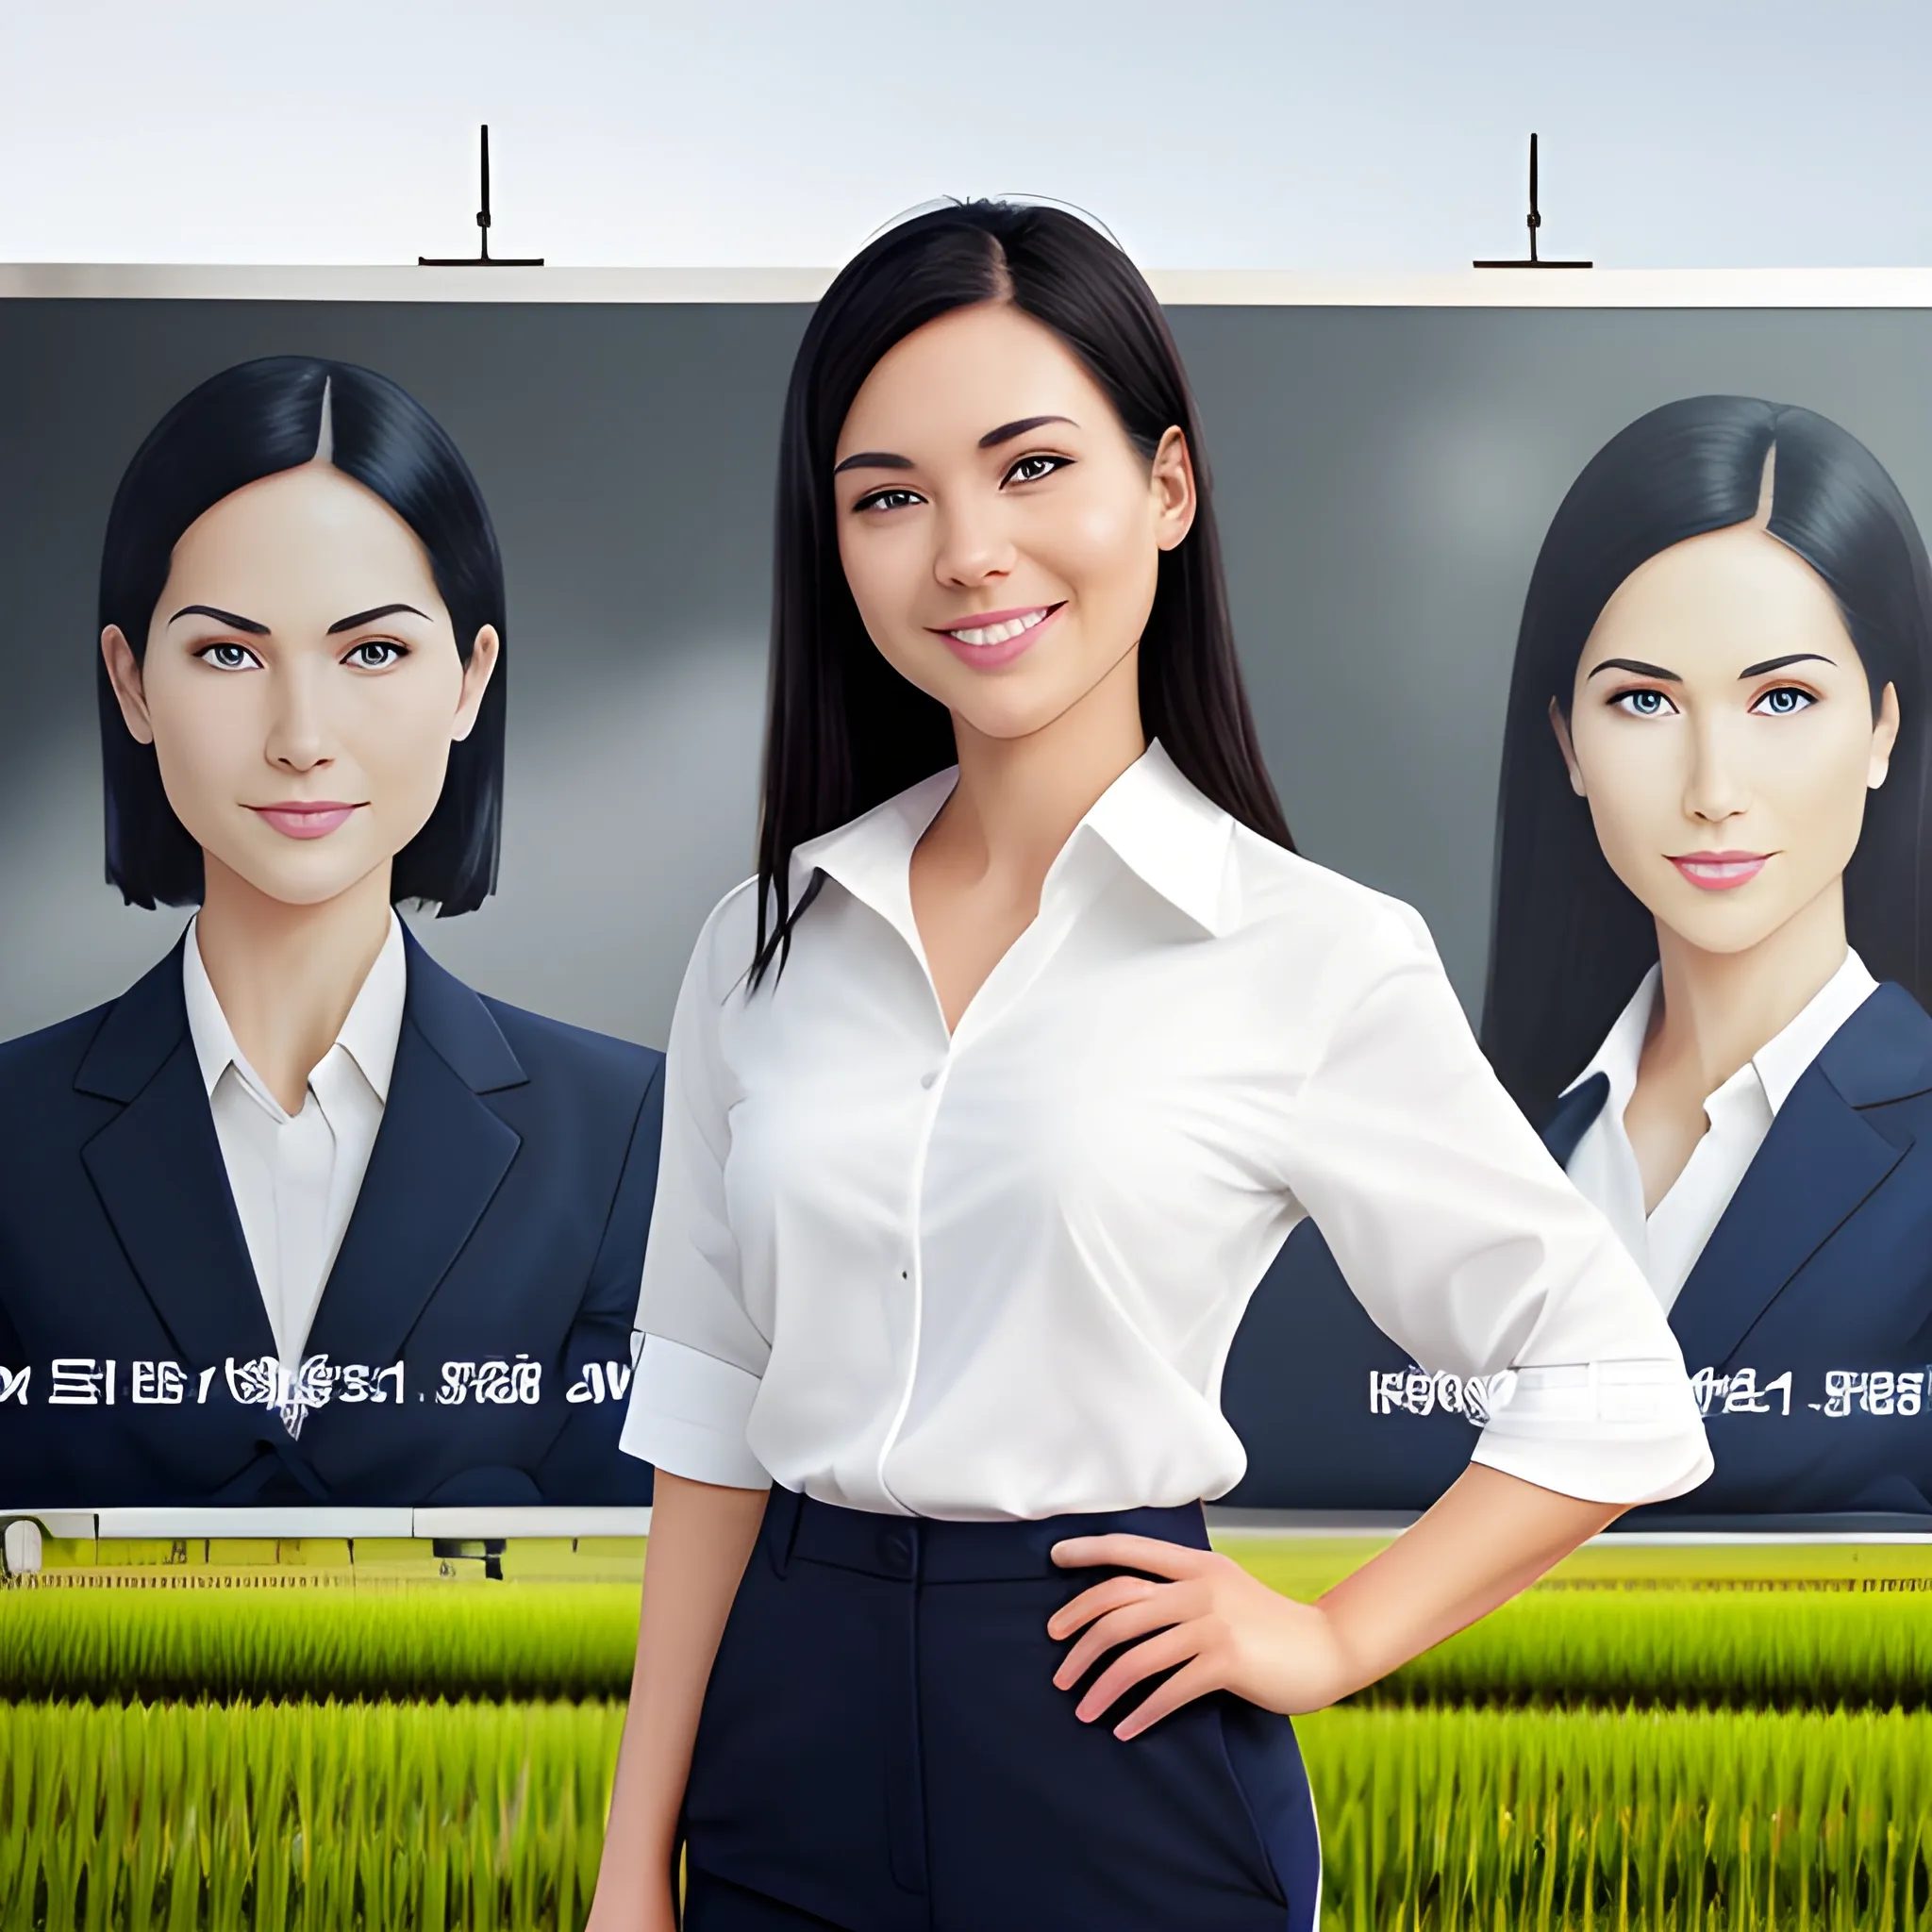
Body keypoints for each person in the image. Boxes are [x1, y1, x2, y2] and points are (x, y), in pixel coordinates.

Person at [589, 203, 1711, 1932]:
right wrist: (626, 1866)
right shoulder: (768, 940)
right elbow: (712, 1425)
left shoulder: (1307, 951)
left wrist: (1332, 1634)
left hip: (1108, 1733)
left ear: (1164, 490)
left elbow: (1610, 1379)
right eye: (888, 495)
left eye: (1030, 466)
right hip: (782, 1736)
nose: (966, 549)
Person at [0, 357, 661, 1509]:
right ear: (132, 683)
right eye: (227, 652)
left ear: (470, 679)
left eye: (372, 651)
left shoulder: (626, 1135)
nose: (301, 735)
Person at [1482, 395, 1932, 1516]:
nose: (1712, 788)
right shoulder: (1476, 1144)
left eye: (1782, 696)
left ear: (1881, 727)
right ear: (1565, 744)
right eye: (1641, 700)